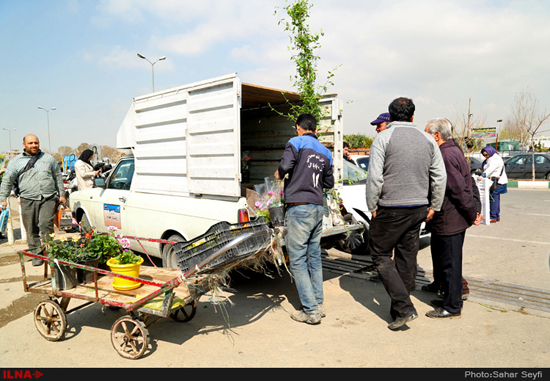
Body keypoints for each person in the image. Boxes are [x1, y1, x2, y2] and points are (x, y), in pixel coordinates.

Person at [366, 97, 446, 330]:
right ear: (412, 117)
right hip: (418, 209)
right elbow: (439, 176)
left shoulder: (383, 138)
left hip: (391, 208)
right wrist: (434, 205)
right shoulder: (428, 139)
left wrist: (372, 205)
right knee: (406, 257)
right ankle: (399, 309)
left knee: (380, 254)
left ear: (390, 117)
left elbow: (375, 177)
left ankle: (404, 307)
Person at [274, 113, 334, 325]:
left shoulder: (295, 142)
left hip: (299, 208)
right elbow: (329, 183)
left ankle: (310, 311)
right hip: (318, 207)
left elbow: (285, 167)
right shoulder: (326, 152)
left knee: (298, 259)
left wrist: (279, 174)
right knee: (314, 257)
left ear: (298, 127)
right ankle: (318, 303)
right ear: (315, 130)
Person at [423, 118, 481, 319]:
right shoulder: (454, 151)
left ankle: (453, 306)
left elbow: (459, 190)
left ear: (436, 135)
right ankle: (449, 298)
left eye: (427, 134)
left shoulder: (445, 156)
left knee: (451, 265)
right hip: (450, 219)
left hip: (450, 220)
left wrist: (472, 213)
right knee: (447, 263)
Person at [0, 134, 66, 265]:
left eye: (36, 142)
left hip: (48, 197)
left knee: (45, 224)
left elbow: (58, 177)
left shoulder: (48, 159)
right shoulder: (16, 161)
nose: (34, 145)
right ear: (24, 144)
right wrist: (3, 198)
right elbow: (7, 181)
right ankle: (37, 255)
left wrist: (62, 194)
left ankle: (50, 253)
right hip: (27, 198)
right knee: (31, 229)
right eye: (30, 143)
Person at [478, 146, 508, 222]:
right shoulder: (493, 157)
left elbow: (490, 169)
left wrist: (483, 175)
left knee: (493, 199)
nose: (485, 156)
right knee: (496, 199)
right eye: (484, 155)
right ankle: (496, 216)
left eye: (486, 154)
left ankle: (493, 216)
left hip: (497, 181)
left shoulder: (495, 159)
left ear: (490, 152)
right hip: (497, 181)